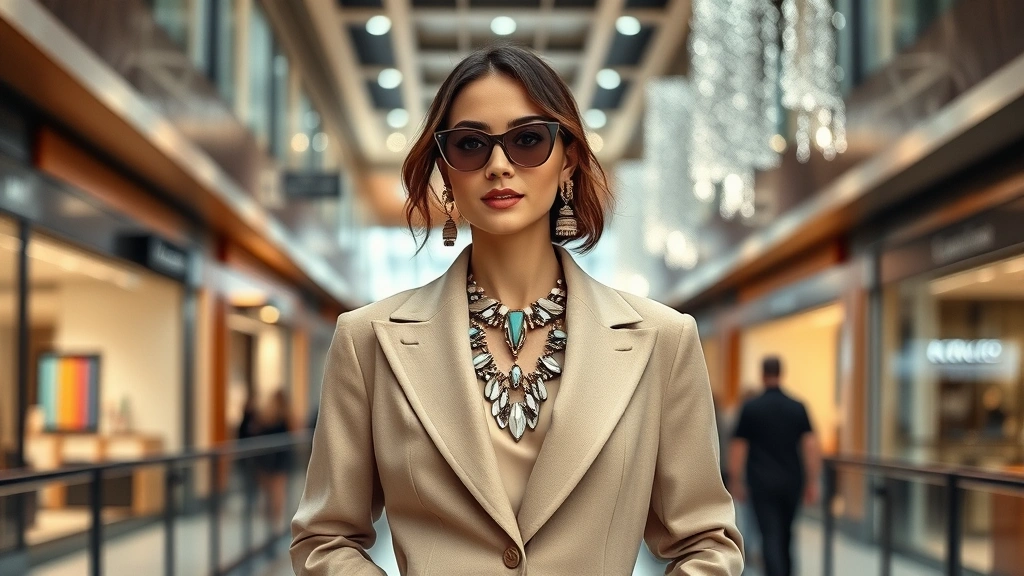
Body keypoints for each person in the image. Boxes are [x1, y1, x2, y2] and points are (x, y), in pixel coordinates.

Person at [291, 44, 743, 575]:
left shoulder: (663, 340)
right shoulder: (367, 340)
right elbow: (325, 537)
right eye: (470, 145)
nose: (499, 166)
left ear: (567, 158)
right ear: (445, 170)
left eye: (528, 140)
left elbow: (706, 542)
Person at [729, 357, 821, 576]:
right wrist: (812, 481)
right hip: (791, 481)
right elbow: (811, 446)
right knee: (787, 534)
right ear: (781, 373)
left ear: (762, 374)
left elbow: (738, 448)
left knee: (769, 535)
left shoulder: (751, 408)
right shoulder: (797, 407)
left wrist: (735, 480)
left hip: (761, 482)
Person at [258, 389, 294, 533]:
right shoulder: (285, 416)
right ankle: (275, 521)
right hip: (279, 457)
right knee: (277, 490)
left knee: (271, 491)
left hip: (270, 458)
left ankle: (273, 521)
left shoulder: (270, 415)